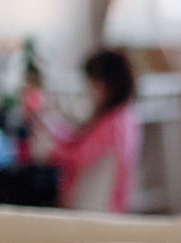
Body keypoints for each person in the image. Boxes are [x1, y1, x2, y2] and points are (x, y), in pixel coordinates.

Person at [43, 48, 141, 213]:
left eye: (92, 83)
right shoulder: (126, 116)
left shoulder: (112, 123)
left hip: (97, 206)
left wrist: (51, 151)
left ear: (106, 85)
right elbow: (83, 141)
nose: (89, 90)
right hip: (111, 204)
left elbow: (81, 156)